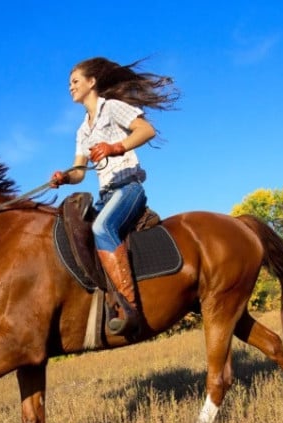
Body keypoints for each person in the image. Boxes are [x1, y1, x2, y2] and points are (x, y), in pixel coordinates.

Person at [50, 56, 179, 337]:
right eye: (69, 83)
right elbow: (79, 172)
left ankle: (129, 308)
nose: (70, 87)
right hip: (105, 195)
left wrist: (116, 147)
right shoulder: (82, 130)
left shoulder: (113, 108)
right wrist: (63, 178)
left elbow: (146, 130)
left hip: (128, 189)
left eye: (75, 81)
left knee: (101, 227)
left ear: (91, 82)